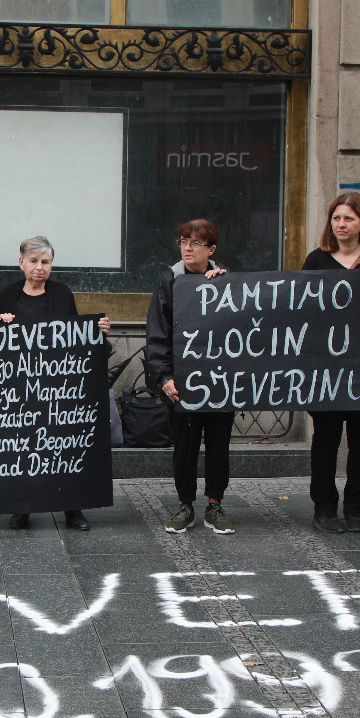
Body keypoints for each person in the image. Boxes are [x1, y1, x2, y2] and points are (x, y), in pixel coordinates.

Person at [0, 236, 112, 532]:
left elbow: (74, 337)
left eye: (45, 262)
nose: (39, 267)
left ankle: (73, 509)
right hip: (19, 388)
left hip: (58, 387)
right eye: (33, 261)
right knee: (22, 448)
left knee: (64, 446)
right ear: (21, 263)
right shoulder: (8, 294)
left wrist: (96, 330)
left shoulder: (61, 293)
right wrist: (0, 324)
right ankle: (22, 507)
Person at [302, 193, 360, 533]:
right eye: (336, 219)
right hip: (326, 368)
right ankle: (324, 508)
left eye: (348, 219)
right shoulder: (317, 261)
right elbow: (300, 312)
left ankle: (356, 509)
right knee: (325, 439)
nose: (341, 225)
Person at [145, 219, 233, 534]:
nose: (187, 248)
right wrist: (164, 376)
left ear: (211, 249)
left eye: (195, 243)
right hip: (181, 381)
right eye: (183, 241)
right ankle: (185, 504)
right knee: (185, 446)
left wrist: (222, 287)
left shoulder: (225, 281)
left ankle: (214, 504)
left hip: (219, 380)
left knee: (219, 444)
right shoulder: (169, 280)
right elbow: (158, 332)